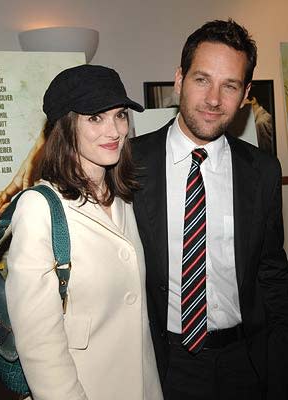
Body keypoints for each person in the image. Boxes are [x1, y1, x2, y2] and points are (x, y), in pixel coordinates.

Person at [131, 19, 288, 400]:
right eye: (202, 80)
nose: (214, 99)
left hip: (246, 362)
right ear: (179, 79)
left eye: (229, 85)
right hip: (164, 364)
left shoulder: (263, 170)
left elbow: (271, 272)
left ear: (246, 93)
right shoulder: (131, 163)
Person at [5, 64, 163, 400]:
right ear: (65, 126)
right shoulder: (39, 209)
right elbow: (39, 343)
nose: (115, 130)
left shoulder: (126, 199)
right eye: (95, 118)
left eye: (120, 115)